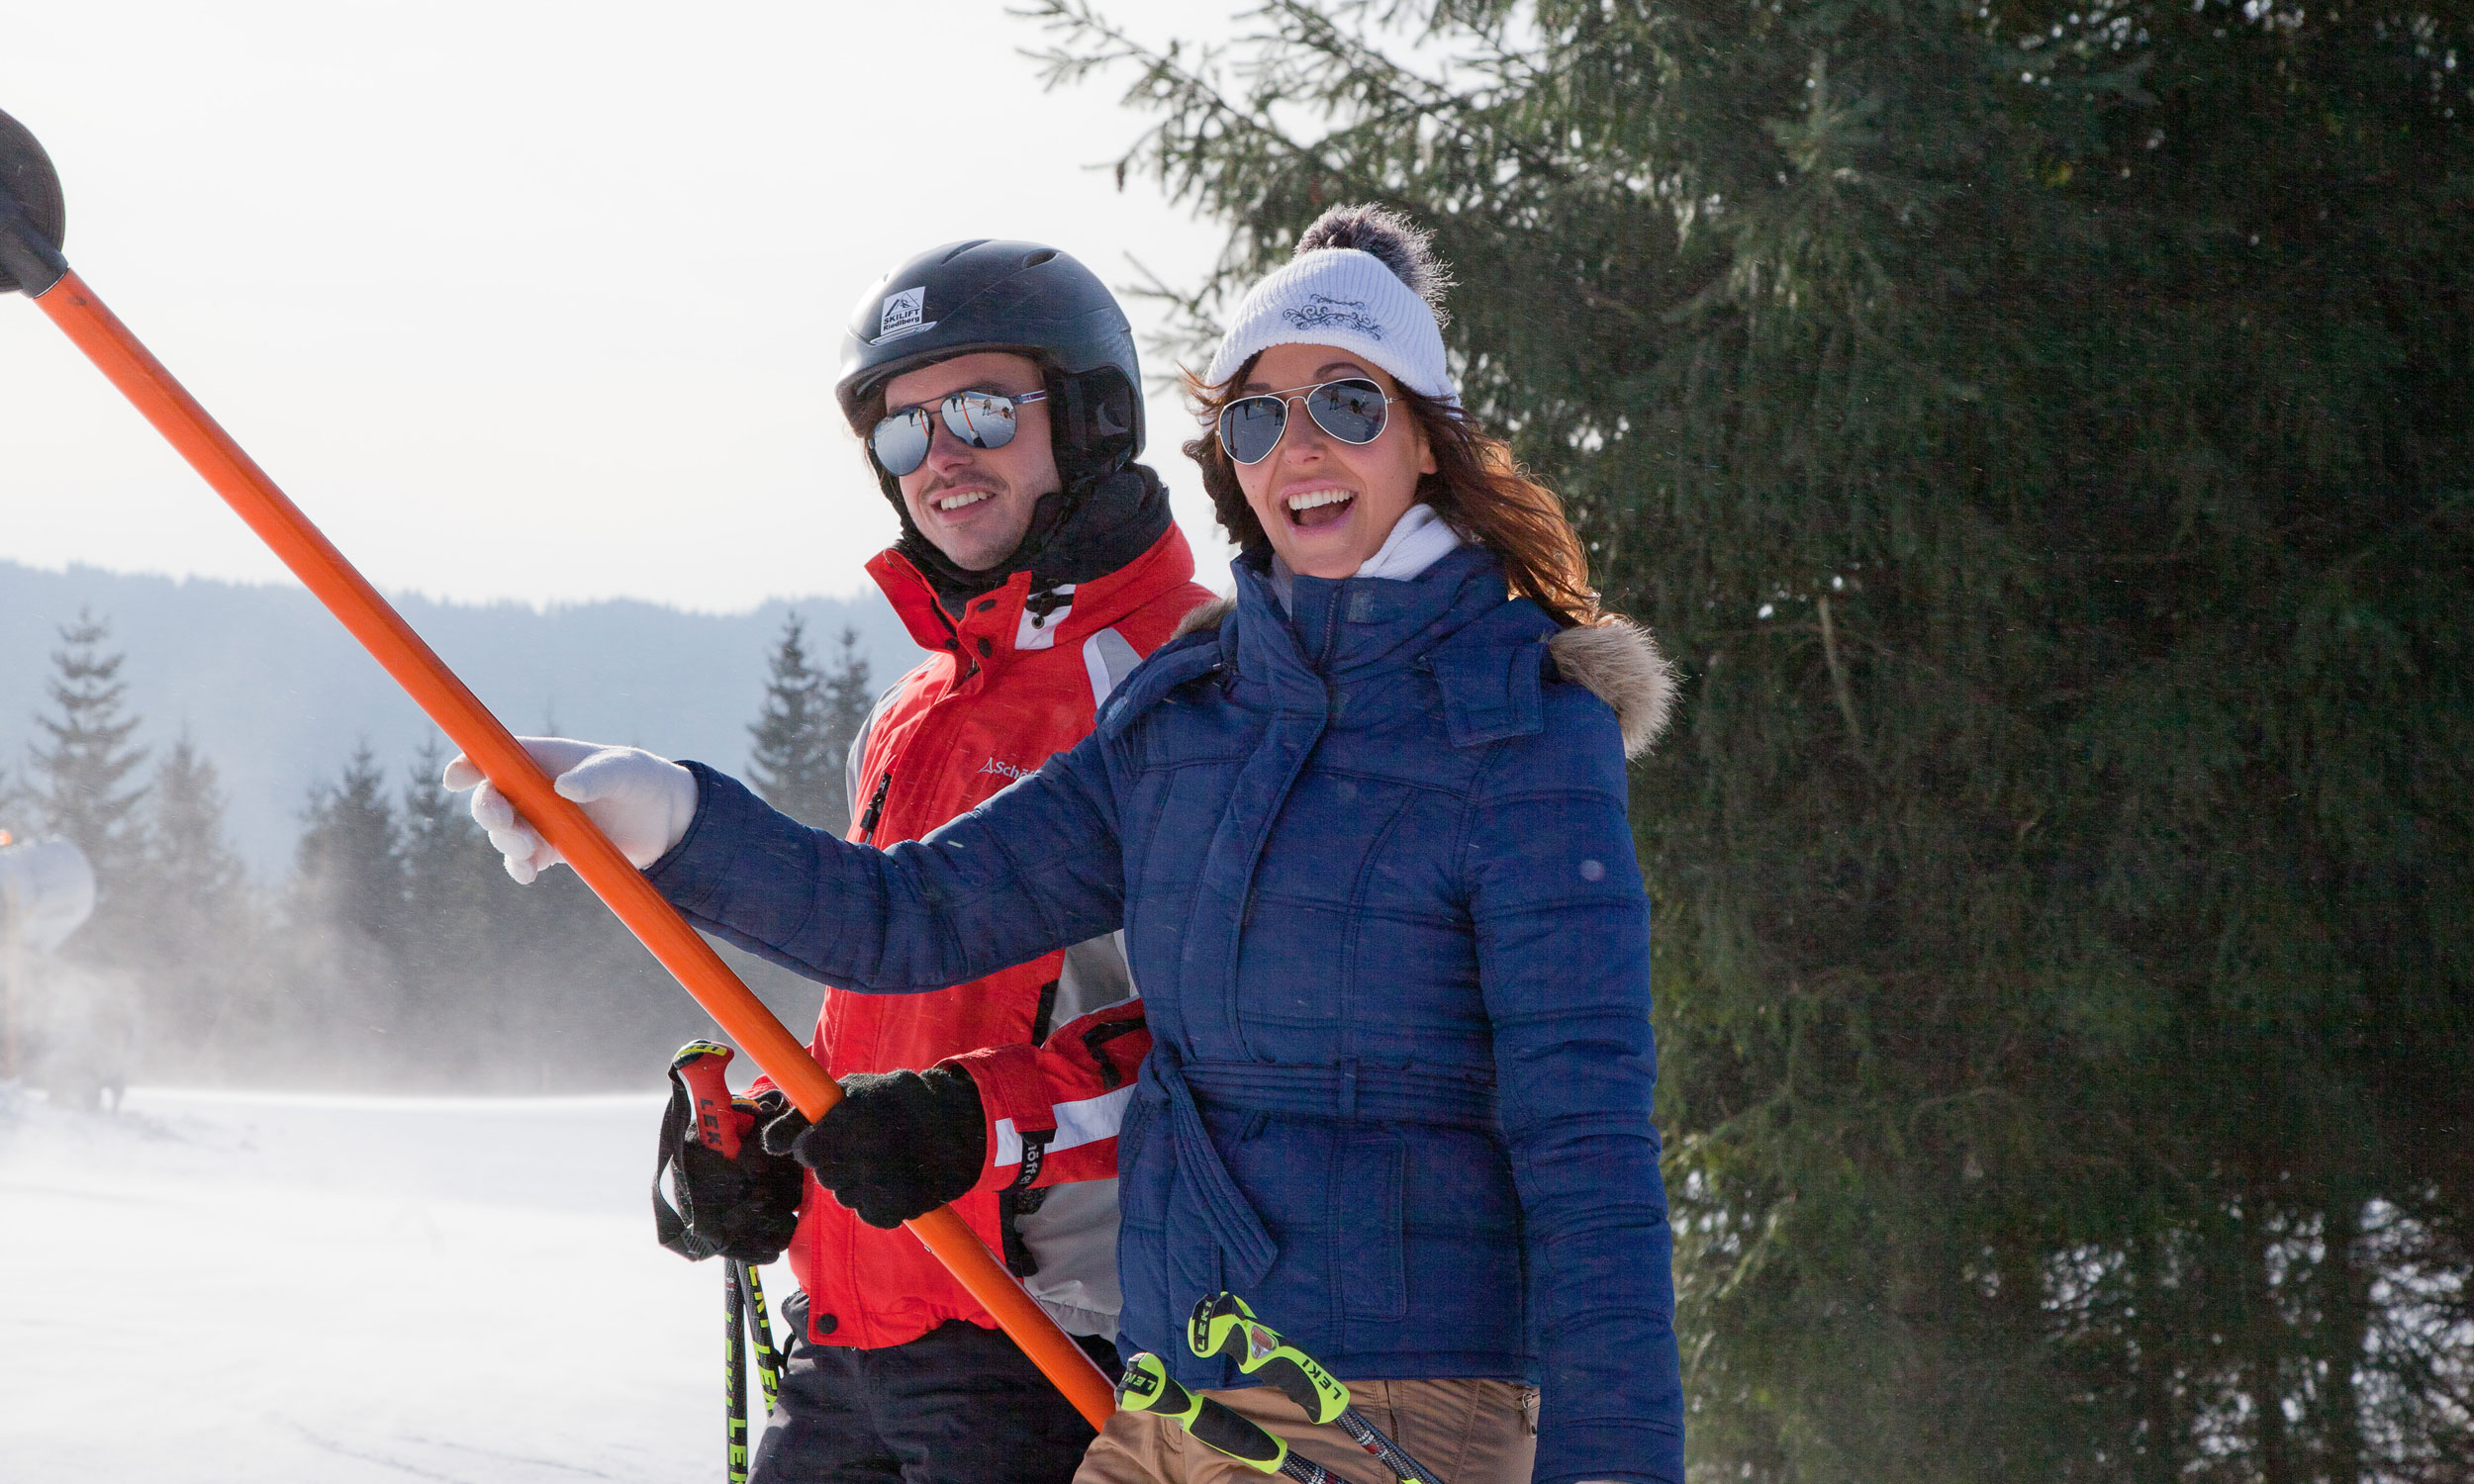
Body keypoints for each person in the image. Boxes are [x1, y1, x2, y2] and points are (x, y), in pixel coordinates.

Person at [453, 207, 1683, 1484]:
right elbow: (904, 924)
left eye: (1352, 404)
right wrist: (674, 825)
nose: (1300, 448)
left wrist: (1617, 1463)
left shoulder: (1512, 730)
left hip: (1334, 1386)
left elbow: (1585, 1146)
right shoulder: (1184, 720)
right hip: (1176, 1386)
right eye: (1257, 419)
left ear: (1426, 431)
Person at [452, 239, 1212, 1484]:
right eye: (903, 432)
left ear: (1090, 418)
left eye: (976, 409)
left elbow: (1218, 1052)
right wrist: (765, 1136)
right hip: (854, 1326)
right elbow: (884, 997)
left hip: (1054, 1346)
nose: (941, 459)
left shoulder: (1182, 684)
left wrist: (982, 1129)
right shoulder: (915, 708)